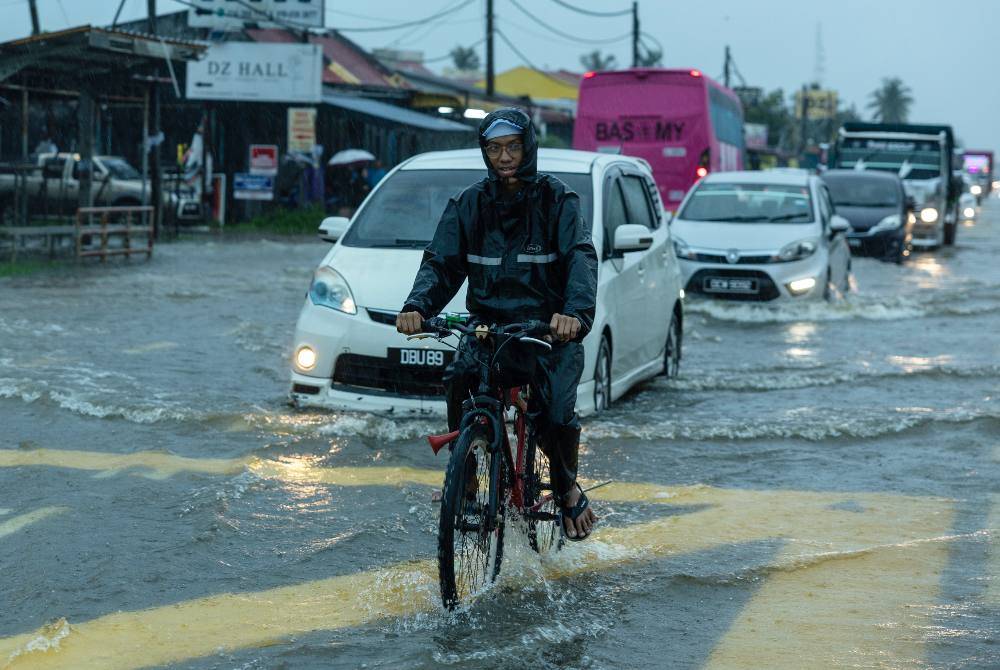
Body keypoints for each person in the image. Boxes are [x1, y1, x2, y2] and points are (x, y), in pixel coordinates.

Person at [396, 107, 599, 541]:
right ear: (484, 152)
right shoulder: (469, 204)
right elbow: (440, 263)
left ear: (528, 148)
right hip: (488, 331)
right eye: (494, 148)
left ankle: (566, 491)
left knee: (557, 418)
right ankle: (465, 474)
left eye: (512, 146)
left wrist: (574, 316)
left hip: (547, 333)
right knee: (458, 379)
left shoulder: (558, 201)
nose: (504, 156)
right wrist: (416, 305)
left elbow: (581, 258)